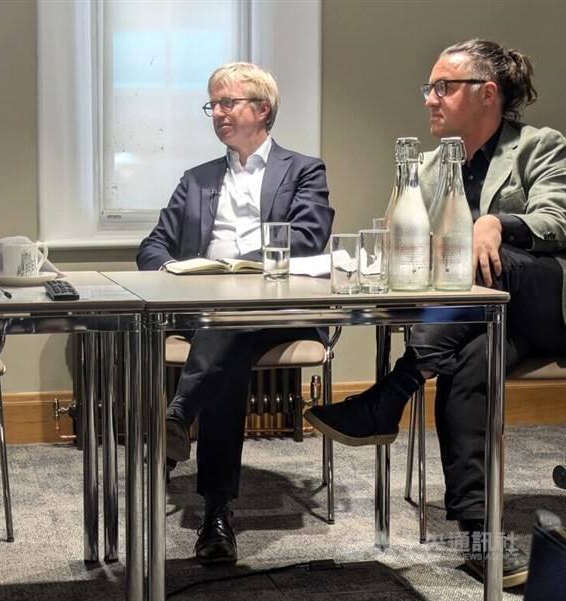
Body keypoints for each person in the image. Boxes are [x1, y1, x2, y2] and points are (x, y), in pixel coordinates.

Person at [306, 39, 566, 588]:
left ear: (487, 93)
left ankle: (392, 391)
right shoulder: (426, 167)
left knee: (491, 264)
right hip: (484, 325)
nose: (430, 98)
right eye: (429, 88)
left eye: (443, 87)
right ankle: (481, 539)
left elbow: (557, 220)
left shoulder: (539, 146)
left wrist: (498, 224)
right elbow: (403, 246)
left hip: (545, 304)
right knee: (469, 366)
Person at [138, 62, 334, 564]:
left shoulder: (303, 169)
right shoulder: (197, 178)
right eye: (213, 105)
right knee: (226, 341)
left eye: (228, 102)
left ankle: (180, 417)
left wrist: (241, 273)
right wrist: (180, 273)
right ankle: (216, 514)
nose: (218, 113)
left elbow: (309, 238)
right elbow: (152, 246)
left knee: (230, 325)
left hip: (276, 309)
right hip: (206, 310)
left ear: (262, 109)